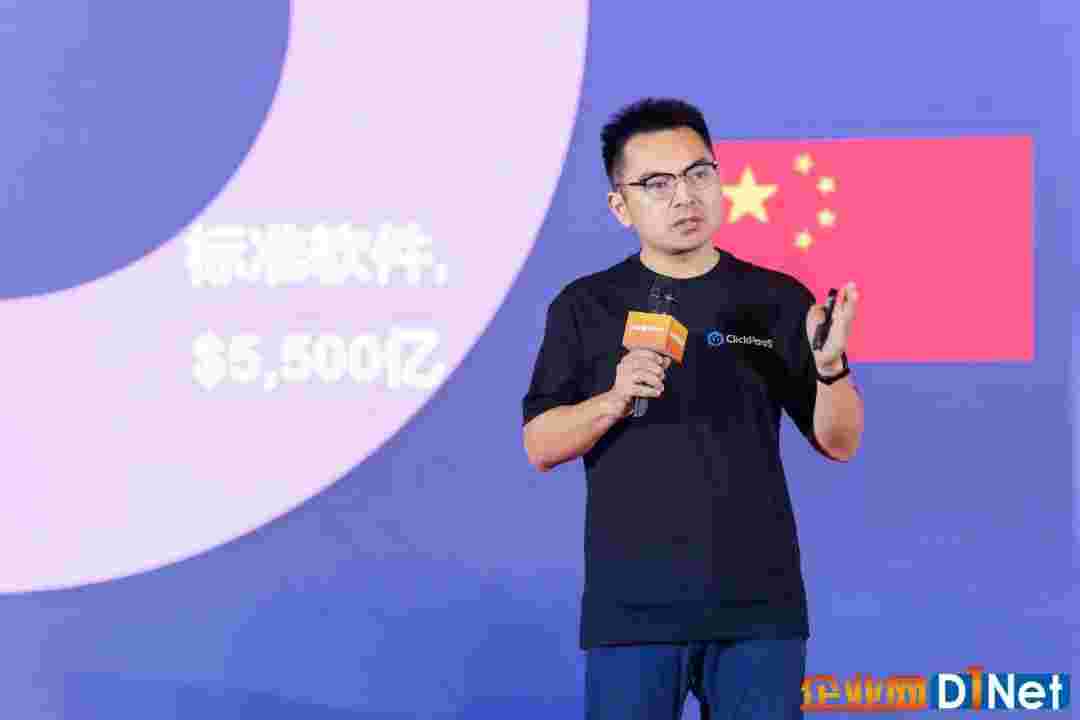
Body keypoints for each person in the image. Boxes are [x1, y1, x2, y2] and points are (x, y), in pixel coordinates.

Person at [521, 98, 865, 720]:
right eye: (657, 184)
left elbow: (840, 442)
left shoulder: (776, 298)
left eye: (698, 173)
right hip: (632, 613)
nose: (684, 196)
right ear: (620, 206)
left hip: (759, 610)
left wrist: (831, 367)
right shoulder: (584, 306)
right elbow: (540, 445)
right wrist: (614, 399)